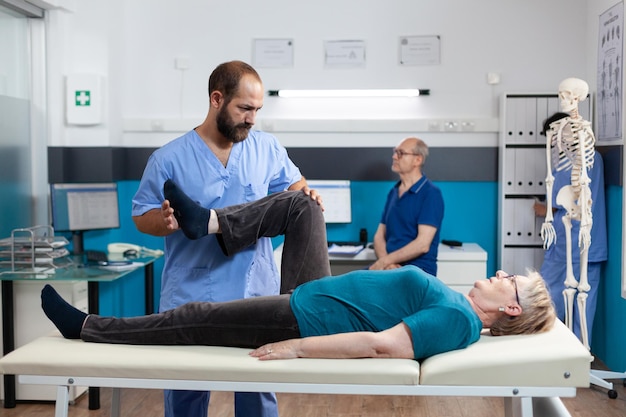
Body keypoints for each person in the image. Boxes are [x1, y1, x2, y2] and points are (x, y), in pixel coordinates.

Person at [42, 181, 556, 362]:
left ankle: (87, 327)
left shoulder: (460, 322)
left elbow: (385, 345)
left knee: (198, 315)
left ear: (510, 306)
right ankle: (209, 222)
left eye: (511, 278)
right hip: (318, 293)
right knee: (302, 206)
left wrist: (297, 347)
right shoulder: (459, 307)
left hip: (303, 319)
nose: (503, 271)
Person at [131, 61, 320, 417]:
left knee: (258, 396)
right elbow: (143, 216)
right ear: (217, 99)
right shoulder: (169, 158)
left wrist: (309, 196)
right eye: (244, 108)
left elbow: (294, 190)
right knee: (185, 395)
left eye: (257, 110)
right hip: (192, 290)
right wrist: (165, 220)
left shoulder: (266, 148)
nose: (252, 119)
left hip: (254, 291)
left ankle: (210, 222)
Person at [533, 112, 607, 345]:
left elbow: (556, 206)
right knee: (586, 304)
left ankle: (546, 351)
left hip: (567, 244)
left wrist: (541, 208)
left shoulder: (566, 165)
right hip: (592, 244)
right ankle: (580, 357)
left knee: (543, 300)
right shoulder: (595, 158)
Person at [370, 137, 444, 275]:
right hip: (389, 267)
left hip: (417, 271)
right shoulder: (393, 192)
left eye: (400, 153)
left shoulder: (431, 194)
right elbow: (379, 235)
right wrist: (387, 263)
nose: (394, 157)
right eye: (394, 152)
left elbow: (422, 244)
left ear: (418, 160)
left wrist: (384, 262)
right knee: (350, 285)